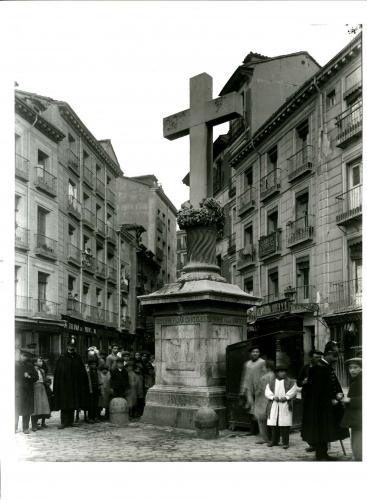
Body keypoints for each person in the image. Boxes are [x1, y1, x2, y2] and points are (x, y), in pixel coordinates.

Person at [301, 347, 349, 460]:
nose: (336, 359)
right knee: (320, 430)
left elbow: (331, 383)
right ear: (328, 355)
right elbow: (316, 390)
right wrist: (330, 399)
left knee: (326, 429)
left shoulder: (326, 366)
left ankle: (323, 453)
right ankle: (320, 454)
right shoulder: (318, 367)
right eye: (334, 356)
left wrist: (338, 394)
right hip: (319, 407)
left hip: (327, 405)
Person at [53, 336, 89, 429]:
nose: (71, 347)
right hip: (65, 386)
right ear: (67, 346)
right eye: (70, 345)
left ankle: (71, 421)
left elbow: (82, 371)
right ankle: (64, 422)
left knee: (73, 403)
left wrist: (82, 384)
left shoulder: (78, 357)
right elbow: (58, 372)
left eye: (73, 346)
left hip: (75, 385)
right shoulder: (62, 357)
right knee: (65, 403)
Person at [265, 365, 298, 449]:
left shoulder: (290, 382)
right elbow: (267, 391)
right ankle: (274, 441)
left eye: (284, 371)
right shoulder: (272, 382)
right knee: (274, 423)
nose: (283, 373)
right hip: (274, 404)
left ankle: (285, 442)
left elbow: (293, 390)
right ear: (277, 373)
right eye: (281, 371)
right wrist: (273, 397)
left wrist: (286, 397)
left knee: (285, 424)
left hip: (285, 404)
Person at [297, 349, 323, 452]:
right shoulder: (305, 368)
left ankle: (321, 444)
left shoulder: (323, 368)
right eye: (316, 357)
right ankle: (311, 444)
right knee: (309, 421)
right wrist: (303, 381)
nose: (318, 359)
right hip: (308, 399)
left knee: (319, 421)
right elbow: (298, 382)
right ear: (311, 358)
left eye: (320, 357)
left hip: (319, 399)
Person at [239, 345, 266, 435]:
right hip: (249, 388)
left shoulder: (262, 362)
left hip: (260, 389)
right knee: (251, 408)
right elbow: (245, 377)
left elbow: (265, 376)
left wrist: (263, 387)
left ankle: (262, 430)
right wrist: (243, 390)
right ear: (250, 353)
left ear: (259, 353)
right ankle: (253, 430)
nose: (255, 353)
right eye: (253, 352)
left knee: (260, 409)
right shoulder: (247, 364)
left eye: (257, 352)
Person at [341, 357, 362, 461]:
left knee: (359, 444)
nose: (352, 370)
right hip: (356, 418)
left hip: (360, 418)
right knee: (356, 441)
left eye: (356, 367)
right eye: (350, 368)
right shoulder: (356, 380)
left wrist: (350, 400)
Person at [15, 349, 38, 434]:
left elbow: (36, 377)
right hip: (17, 390)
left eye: (26, 356)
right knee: (15, 409)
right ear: (20, 355)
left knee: (27, 410)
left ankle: (25, 428)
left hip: (28, 391)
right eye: (23, 355)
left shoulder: (30, 366)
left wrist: (29, 376)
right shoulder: (15, 365)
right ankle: (14, 427)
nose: (24, 357)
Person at [253, 359, 275, 445]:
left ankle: (264, 438)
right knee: (272, 420)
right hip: (272, 399)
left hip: (263, 400)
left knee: (261, 420)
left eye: (263, 367)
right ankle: (273, 438)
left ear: (267, 367)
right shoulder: (274, 376)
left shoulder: (264, 378)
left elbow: (258, 391)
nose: (262, 368)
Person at [31, 357, 51, 431]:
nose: (41, 362)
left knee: (42, 406)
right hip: (35, 388)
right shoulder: (32, 369)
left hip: (42, 387)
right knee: (35, 406)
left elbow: (44, 379)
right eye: (39, 361)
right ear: (35, 362)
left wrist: (47, 381)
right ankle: (34, 425)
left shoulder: (41, 370)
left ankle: (40, 422)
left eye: (41, 361)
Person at [86, 358, 100, 423]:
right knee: (91, 404)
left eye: (95, 364)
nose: (94, 365)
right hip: (90, 389)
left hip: (96, 389)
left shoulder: (97, 371)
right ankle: (90, 417)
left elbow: (99, 379)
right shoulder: (88, 372)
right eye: (92, 364)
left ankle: (96, 416)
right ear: (90, 365)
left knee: (96, 403)